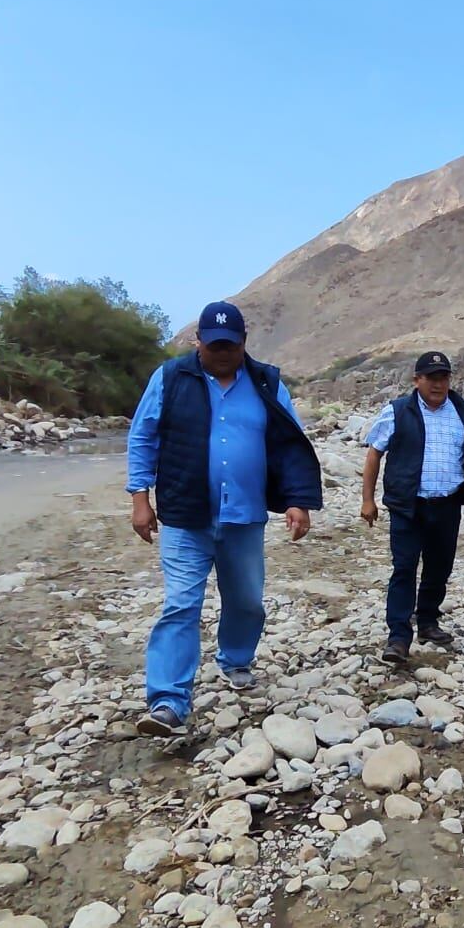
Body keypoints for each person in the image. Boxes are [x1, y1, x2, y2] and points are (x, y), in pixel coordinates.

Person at [125, 301, 322, 736]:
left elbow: (290, 443)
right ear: (198, 343)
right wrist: (140, 498)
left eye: (229, 345)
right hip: (184, 515)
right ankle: (168, 702)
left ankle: (235, 659)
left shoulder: (266, 382)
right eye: (213, 345)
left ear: (243, 343)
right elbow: (142, 438)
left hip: (244, 517)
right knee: (180, 605)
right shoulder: (171, 378)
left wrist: (297, 500)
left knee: (248, 600)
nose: (222, 353)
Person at [360, 351, 464, 665]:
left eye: (443, 377)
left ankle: (428, 623)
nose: (438, 384)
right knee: (404, 568)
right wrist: (368, 500)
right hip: (408, 506)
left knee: (439, 568)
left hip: (447, 505)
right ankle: (398, 636)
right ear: (417, 380)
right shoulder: (396, 412)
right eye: (431, 378)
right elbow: (374, 455)